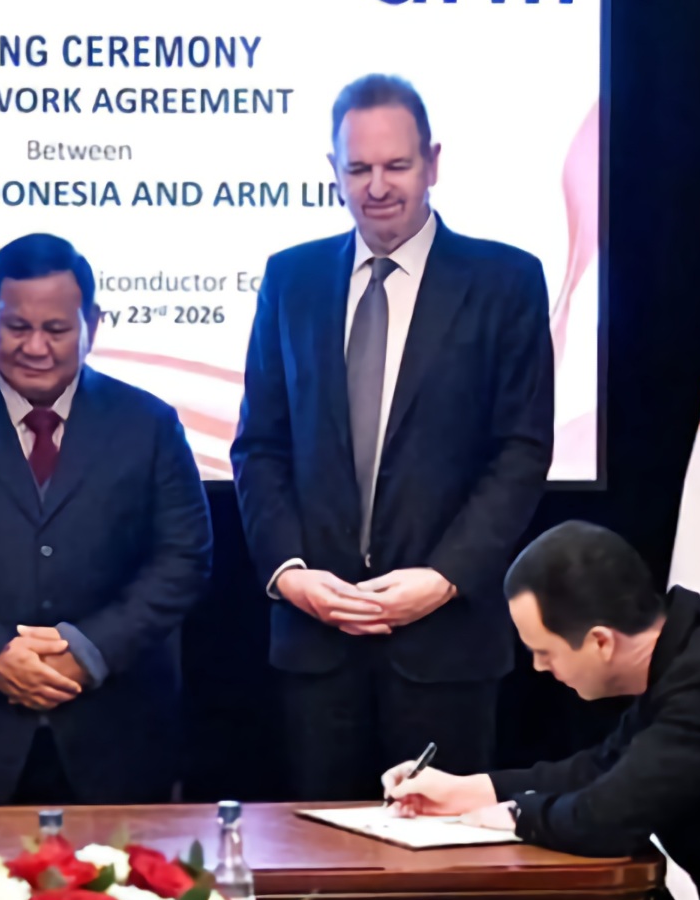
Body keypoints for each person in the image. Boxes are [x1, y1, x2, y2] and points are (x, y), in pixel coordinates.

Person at [231, 74, 553, 801]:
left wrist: (443, 578)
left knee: (438, 849)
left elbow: (521, 449)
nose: (377, 187)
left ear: (432, 163)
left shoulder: (505, 281)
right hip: (317, 645)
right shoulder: (290, 279)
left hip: (446, 646)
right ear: (334, 171)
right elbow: (261, 446)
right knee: (318, 858)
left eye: (396, 165)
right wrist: (290, 574)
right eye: (358, 168)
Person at [0, 233, 212, 805]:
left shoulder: (149, 424)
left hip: (119, 742)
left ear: (92, 324)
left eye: (56, 329)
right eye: (17, 327)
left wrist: (88, 651)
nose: (35, 347)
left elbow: (183, 559)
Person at [382, 521, 700, 900]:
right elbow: (603, 768)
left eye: (544, 652)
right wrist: (467, 790)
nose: (539, 667)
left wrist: (515, 816)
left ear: (601, 641)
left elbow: (607, 819)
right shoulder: (686, 653)